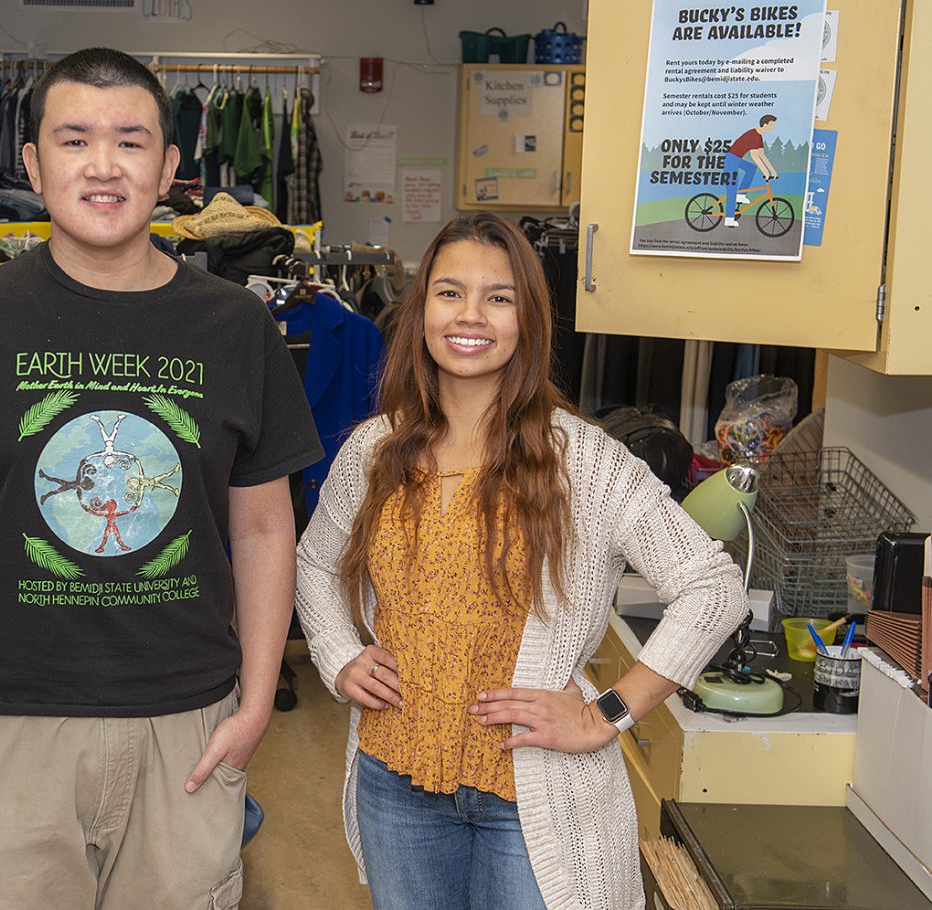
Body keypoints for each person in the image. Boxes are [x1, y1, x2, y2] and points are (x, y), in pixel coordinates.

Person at [0, 47, 322, 909]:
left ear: (168, 169)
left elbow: (265, 529)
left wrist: (255, 703)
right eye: (75, 140)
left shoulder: (235, 327)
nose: (104, 166)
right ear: (35, 165)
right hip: (0, 722)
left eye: (130, 141)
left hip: (185, 723)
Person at [295, 213, 747, 909]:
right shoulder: (373, 451)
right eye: (449, 293)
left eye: (497, 298)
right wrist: (334, 651)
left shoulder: (585, 462)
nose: (469, 316)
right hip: (396, 780)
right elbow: (316, 563)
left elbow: (711, 587)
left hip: (529, 788)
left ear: (527, 321)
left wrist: (608, 713)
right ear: (419, 313)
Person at [724, 114, 778, 227]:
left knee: (751, 168)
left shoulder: (759, 137)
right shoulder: (754, 135)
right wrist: (765, 172)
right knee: (732, 188)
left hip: (736, 159)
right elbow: (754, 156)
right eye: (772, 125)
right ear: (765, 124)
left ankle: (741, 195)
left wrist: (772, 171)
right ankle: (729, 219)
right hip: (731, 159)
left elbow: (762, 156)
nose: (773, 128)